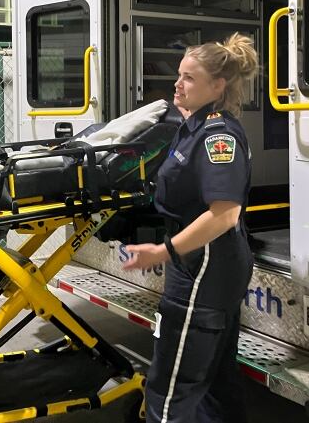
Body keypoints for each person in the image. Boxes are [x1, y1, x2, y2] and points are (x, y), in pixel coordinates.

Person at [123, 33, 258, 423]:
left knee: (170, 389)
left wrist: (164, 251)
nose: (177, 84)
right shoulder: (195, 126)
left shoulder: (218, 136)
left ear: (218, 87)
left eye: (189, 78)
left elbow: (224, 214)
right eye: (179, 76)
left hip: (204, 268)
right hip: (208, 266)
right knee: (214, 381)